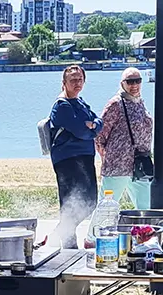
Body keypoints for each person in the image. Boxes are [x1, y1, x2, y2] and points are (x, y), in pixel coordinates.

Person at [49, 65, 103, 249]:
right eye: (72, 80)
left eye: (80, 79)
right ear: (64, 83)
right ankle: (68, 244)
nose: (77, 83)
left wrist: (93, 126)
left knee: (90, 202)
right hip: (68, 161)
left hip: (85, 158)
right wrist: (90, 129)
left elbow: (99, 122)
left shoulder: (80, 103)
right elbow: (81, 131)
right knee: (71, 203)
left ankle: (59, 234)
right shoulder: (61, 106)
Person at [95, 68, 154, 210]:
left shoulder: (139, 102)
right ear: (122, 83)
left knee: (145, 207)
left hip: (140, 164)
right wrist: (105, 154)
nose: (134, 85)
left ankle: (143, 232)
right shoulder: (115, 104)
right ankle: (96, 232)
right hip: (118, 165)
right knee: (107, 206)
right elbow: (100, 132)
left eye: (138, 81)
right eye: (130, 82)